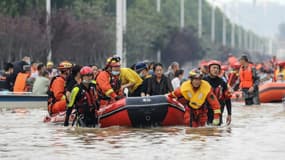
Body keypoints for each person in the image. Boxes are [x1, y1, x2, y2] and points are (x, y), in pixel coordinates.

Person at [204, 60, 232, 125]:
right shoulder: (204, 81)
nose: (216, 70)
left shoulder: (222, 82)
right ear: (209, 69)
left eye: (217, 68)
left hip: (218, 110)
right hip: (206, 110)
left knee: (217, 130)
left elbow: (227, 99)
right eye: (214, 68)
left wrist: (229, 114)